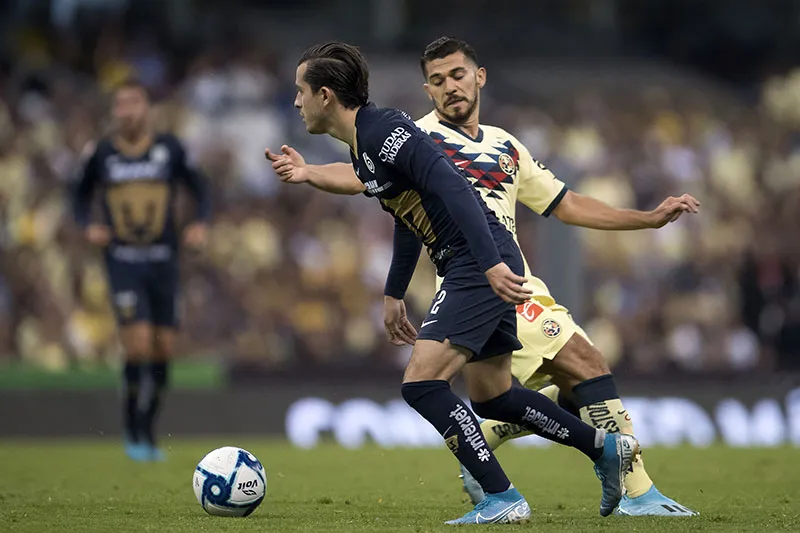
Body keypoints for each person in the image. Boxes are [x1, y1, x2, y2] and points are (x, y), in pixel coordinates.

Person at [269, 38, 700, 517]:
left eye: (299, 90)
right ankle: (604, 448)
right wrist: (394, 292)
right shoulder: (369, 145)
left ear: (325, 95)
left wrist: (491, 263)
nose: (295, 101)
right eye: (437, 79)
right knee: (492, 396)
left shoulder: (388, 132)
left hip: (478, 265)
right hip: (479, 263)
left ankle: (504, 497)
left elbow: (452, 185)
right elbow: (407, 212)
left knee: (421, 384)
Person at [73, 79, 210, 462]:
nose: (127, 111)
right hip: (123, 261)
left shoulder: (169, 149)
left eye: (133, 103)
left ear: (147, 108)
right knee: (136, 343)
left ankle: (149, 427)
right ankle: (132, 429)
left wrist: (200, 222)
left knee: (163, 347)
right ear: (114, 111)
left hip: (164, 259)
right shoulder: (102, 154)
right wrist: (88, 224)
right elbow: (79, 193)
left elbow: (199, 187)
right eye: (120, 105)